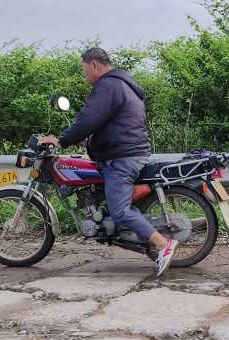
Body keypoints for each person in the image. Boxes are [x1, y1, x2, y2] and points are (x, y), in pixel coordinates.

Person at [39, 47, 176, 276]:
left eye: (85, 70)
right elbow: (107, 122)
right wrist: (89, 142)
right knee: (111, 201)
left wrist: (62, 140)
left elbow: (88, 118)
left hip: (122, 158)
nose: (86, 77)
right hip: (128, 152)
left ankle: (163, 244)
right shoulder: (123, 84)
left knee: (119, 210)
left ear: (94, 64)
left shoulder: (108, 85)